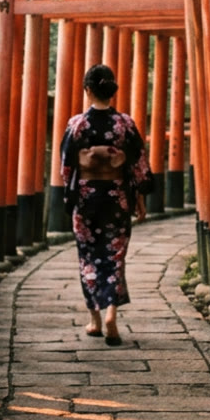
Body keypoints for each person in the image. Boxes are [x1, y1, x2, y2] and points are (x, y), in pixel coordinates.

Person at [60, 63, 153, 346]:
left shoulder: (77, 124)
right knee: (114, 256)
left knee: (88, 256)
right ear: (112, 90)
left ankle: (95, 320)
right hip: (117, 197)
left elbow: (66, 167)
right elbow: (138, 162)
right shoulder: (124, 123)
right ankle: (112, 312)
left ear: (88, 90)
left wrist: (70, 196)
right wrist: (139, 197)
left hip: (87, 198)